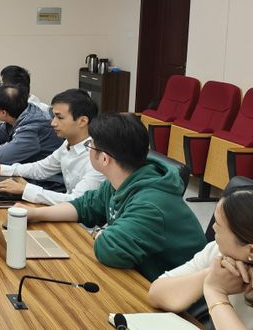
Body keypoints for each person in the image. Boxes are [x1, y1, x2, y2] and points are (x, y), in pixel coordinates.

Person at [17, 113, 206, 281]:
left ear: (104, 158)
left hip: (169, 294)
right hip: (138, 275)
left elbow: (110, 250)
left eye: (90, 146)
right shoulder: (121, 180)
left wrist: (98, 233)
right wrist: (36, 214)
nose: (88, 148)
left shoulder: (151, 205)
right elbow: (84, 206)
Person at [0, 88, 105, 205]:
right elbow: (41, 168)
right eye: (54, 116)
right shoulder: (68, 143)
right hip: (66, 209)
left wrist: (25, 189)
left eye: (60, 118)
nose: (53, 123)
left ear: (82, 121)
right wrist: (2, 170)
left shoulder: (97, 156)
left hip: (82, 222)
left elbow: (77, 201)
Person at [148, 187, 253, 329]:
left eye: (219, 225)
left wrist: (215, 291)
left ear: (251, 250)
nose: (213, 228)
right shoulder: (218, 251)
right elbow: (156, 294)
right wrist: (212, 274)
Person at [0, 85, 63, 165]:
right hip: (26, 168)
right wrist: (1, 150)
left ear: (3, 113)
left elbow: (2, 158)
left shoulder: (32, 126)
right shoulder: (16, 115)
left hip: (46, 173)